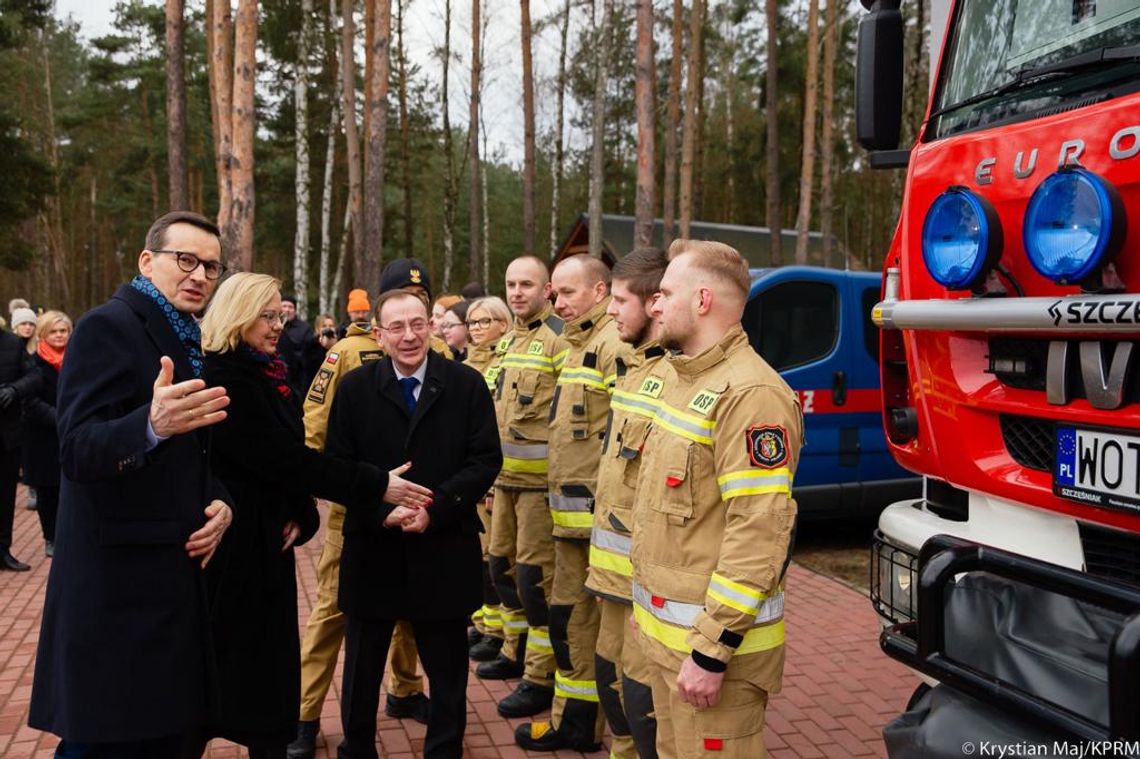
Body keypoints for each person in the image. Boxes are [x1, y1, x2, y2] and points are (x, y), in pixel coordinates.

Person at [29, 210, 235, 756]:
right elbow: (75, 448)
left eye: (211, 267)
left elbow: (193, 451)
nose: (199, 276)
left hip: (170, 586)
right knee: (106, 743)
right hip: (117, 597)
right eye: (185, 260)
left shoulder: (187, 335)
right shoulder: (109, 326)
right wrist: (149, 423)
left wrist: (220, 501)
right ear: (148, 261)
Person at [199, 273, 405, 759]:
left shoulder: (267, 371)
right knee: (228, 675)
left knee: (266, 675)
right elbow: (285, 460)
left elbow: (287, 459)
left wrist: (300, 512)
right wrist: (376, 483)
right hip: (233, 551)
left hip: (267, 540)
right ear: (237, 315)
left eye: (280, 315)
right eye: (267, 316)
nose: (278, 325)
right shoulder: (225, 379)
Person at [631, 240, 803, 758]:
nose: (654, 305)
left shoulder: (752, 394)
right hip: (665, 646)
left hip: (712, 659)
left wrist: (712, 652)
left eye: (664, 293)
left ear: (702, 300)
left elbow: (758, 532)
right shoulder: (681, 378)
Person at [328, 289, 501, 759]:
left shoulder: (465, 384)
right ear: (379, 334)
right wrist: (383, 509)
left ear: (431, 326)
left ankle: (443, 750)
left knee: (447, 672)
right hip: (374, 548)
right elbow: (337, 465)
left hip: (442, 546)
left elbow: (486, 459)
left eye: (418, 324)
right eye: (397, 327)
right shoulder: (355, 388)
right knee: (362, 669)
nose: (409, 336)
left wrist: (436, 507)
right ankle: (357, 748)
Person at [290, 287, 433, 759]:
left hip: (419, 509)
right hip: (359, 510)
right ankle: (306, 714)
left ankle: (406, 687)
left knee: (413, 611)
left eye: (422, 305)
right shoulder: (345, 354)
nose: (410, 332)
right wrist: (312, 485)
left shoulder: (438, 349)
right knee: (332, 612)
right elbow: (316, 420)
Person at [516, 254, 623, 752]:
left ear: (599, 292)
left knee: (591, 631)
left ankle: (590, 728)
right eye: (554, 294)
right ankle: (573, 722)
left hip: (598, 526)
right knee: (567, 624)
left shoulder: (611, 347)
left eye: (567, 293)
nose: (556, 302)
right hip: (568, 524)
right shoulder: (578, 344)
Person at [584, 248, 670, 759]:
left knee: (643, 704)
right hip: (613, 574)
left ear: (654, 303)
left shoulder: (673, 378)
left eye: (619, 300)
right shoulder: (634, 369)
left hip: (647, 582)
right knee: (612, 687)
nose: (611, 311)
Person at [481, 256, 569, 720]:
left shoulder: (557, 340)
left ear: (547, 289)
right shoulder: (510, 339)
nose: (517, 292)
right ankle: (513, 650)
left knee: (537, 582)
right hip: (505, 484)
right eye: (511, 284)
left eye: (526, 284)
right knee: (502, 570)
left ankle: (540, 676)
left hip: (539, 489)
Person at [461, 296, 512, 663]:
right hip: (467, 477)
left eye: (485, 321)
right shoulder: (466, 364)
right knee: (476, 559)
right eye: (473, 323)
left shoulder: (504, 362)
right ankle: (483, 623)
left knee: (497, 560)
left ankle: (499, 634)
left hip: (494, 480)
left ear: (503, 324)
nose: (477, 328)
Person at [21, 311, 73, 558]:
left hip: (72, 434)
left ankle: (69, 535)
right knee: (47, 492)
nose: (60, 335)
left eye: (63, 330)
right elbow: (29, 401)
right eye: (54, 331)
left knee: (70, 489)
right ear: (43, 334)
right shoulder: (31, 362)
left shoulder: (78, 358)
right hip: (42, 436)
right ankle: (50, 537)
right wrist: (60, 419)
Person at [0, 311, 40, 572]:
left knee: (5, 497)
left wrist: (14, 390)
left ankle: (2, 551)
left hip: (7, 436)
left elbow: (34, 377)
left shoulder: (12, 344)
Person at [380, 258, 453, 360]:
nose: (416, 300)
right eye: (406, 293)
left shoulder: (439, 347)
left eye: (422, 294)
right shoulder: (358, 348)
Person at [277, 294, 324, 397]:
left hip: (297, 377)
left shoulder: (304, 328)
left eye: (290, 307)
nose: (287, 310)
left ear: (295, 310)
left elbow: (309, 353)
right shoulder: (274, 326)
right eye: (284, 306)